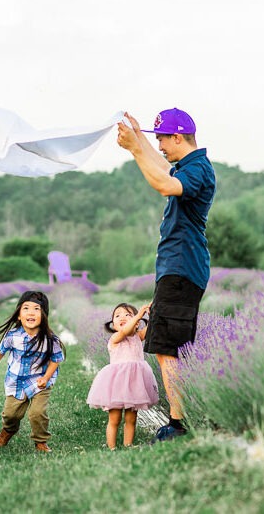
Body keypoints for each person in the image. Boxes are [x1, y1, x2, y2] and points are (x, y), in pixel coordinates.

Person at [117, 108, 216, 442]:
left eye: (161, 138)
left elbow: (164, 184)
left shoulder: (198, 170)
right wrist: (140, 142)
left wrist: (134, 149)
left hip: (182, 268)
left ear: (178, 136)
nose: (159, 145)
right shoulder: (190, 166)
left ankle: (179, 423)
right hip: (179, 268)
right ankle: (184, 416)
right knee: (169, 345)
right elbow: (165, 170)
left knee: (168, 347)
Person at [0, 290, 65, 453]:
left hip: (39, 382)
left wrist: (46, 377)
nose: (31, 312)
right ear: (19, 315)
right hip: (16, 381)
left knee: (37, 413)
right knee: (10, 414)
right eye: (26, 308)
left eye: (36, 309)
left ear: (43, 315)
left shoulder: (50, 339)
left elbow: (56, 359)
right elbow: (0, 351)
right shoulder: (13, 336)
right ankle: (7, 431)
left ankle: (40, 441)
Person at [86, 303, 158, 449]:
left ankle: (128, 445)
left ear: (137, 323)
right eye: (117, 315)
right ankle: (111, 447)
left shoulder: (138, 336)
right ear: (113, 324)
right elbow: (125, 331)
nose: (122, 317)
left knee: (131, 419)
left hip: (134, 384)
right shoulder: (115, 337)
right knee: (115, 418)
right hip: (117, 385)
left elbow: (151, 329)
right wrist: (138, 315)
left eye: (127, 315)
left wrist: (151, 315)